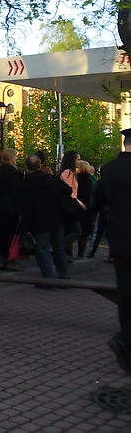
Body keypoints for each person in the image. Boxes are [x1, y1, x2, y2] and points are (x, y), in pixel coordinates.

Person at [98, 128, 131, 375]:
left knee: (126, 292)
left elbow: (97, 203)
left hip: (121, 241)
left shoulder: (109, 169)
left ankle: (125, 337)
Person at [22, 154, 72, 281]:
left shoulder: (27, 183)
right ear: (40, 165)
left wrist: (25, 226)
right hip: (56, 219)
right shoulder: (52, 179)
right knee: (59, 249)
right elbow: (67, 190)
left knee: (42, 250)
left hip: (39, 221)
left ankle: (48, 277)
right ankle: (64, 275)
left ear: (27, 167)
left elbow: (26, 207)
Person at [0, 148, 24, 270]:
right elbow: (19, 191)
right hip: (13, 208)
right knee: (12, 235)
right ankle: (11, 261)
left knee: (2, 233)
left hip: (2, 207)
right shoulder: (14, 174)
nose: (16, 158)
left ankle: (2, 260)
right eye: (15, 156)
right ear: (11, 158)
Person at [58, 150, 85, 260]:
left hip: (71, 205)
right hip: (69, 206)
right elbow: (69, 192)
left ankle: (66, 255)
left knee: (69, 230)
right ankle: (60, 248)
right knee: (76, 230)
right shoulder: (68, 173)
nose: (79, 162)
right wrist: (79, 203)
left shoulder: (71, 173)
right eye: (77, 159)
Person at [76, 160, 95, 258]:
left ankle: (69, 254)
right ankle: (80, 254)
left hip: (76, 207)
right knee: (84, 234)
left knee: (74, 231)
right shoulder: (89, 180)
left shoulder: (75, 179)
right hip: (86, 208)